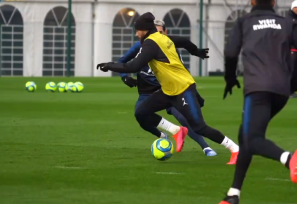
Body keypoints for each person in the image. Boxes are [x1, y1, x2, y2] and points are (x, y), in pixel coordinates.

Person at [214, 0, 297, 204]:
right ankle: (233, 194)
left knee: (253, 139)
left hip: (258, 89)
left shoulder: (244, 22)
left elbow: (230, 53)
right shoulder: (287, 23)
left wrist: (229, 79)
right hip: (281, 91)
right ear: (274, 3)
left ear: (252, 0)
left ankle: (288, 159)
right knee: (245, 134)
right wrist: (294, 82)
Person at [97, 12, 239, 164]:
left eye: (137, 30)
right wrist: (195, 51)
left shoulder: (151, 43)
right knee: (141, 113)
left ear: (144, 29)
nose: (136, 34)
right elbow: (184, 41)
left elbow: (133, 65)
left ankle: (235, 149)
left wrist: (110, 65)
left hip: (183, 88)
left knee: (199, 127)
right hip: (168, 90)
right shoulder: (162, 37)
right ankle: (177, 131)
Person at [117, 19, 217, 156]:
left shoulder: (171, 48)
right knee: (141, 117)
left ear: (166, 33)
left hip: (169, 91)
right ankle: (162, 136)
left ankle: (206, 147)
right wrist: (125, 77)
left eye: (160, 32)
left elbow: (183, 76)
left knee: (184, 117)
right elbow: (122, 61)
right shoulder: (140, 46)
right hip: (146, 93)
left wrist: (196, 95)